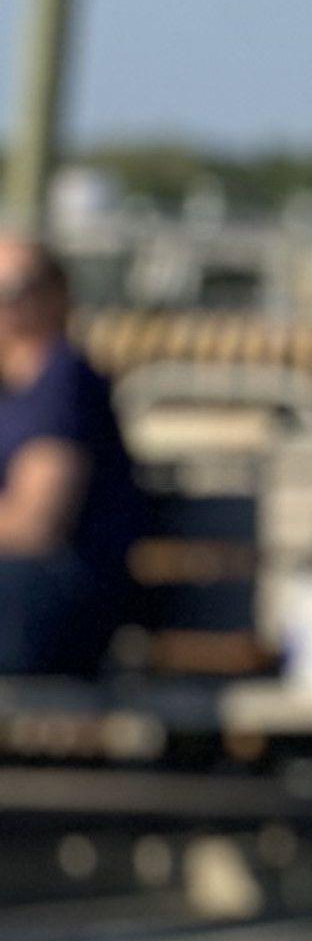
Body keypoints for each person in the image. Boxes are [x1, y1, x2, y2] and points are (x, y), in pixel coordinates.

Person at [0, 237, 144, 682]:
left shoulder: (63, 383)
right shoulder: (14, 387)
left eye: (15, 289)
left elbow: (34, 524)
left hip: (53, 606)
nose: (6, 305)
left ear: (57, 294)